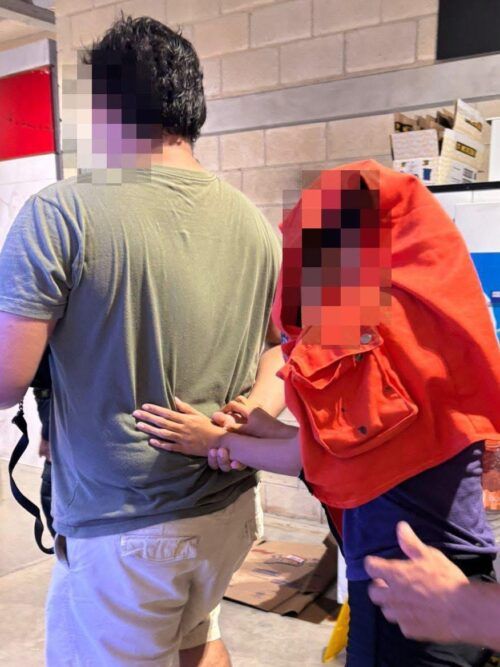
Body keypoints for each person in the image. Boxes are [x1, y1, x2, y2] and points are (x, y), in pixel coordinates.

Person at [135, 162, 500, 666]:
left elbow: (319, 458)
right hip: (436, 571)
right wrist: (266, 428)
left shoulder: (384, 340)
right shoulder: (424, 337)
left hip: (418, 587)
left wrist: (216, 441)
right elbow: (362, 448)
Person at [0, 15, 282, 667]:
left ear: (104, 110)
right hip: (230, 509)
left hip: (124, 527)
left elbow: (6, 380)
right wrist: (247, 415)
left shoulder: (60, 213)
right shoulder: (255, 225)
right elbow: (284, 348)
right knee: (198, 636)